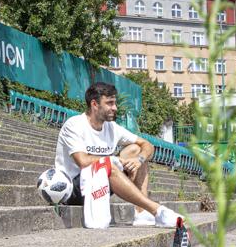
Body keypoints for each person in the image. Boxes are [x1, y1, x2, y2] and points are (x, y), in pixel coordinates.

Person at [54, 82, 183, 228]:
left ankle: (140, 213)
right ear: (94, 104)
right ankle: (157, 210)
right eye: (109, 103)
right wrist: (114, 160)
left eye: (114, 103)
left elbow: (148, 145)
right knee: (108, 165)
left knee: (136, 150)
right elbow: (83, 161)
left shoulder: (112, 127)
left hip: (100, 185)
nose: (115, 108)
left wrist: (138, 160)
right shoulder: (74, 125)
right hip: (73, 190)